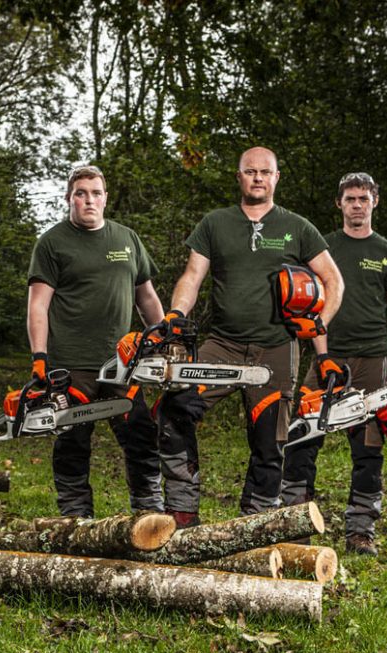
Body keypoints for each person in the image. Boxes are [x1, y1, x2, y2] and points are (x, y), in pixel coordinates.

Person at [157, 147, 344, 528]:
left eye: (265, 172)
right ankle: (182, 510)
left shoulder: (297, 227)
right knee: (173, 410)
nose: (257, 177)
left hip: (275, 348)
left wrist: (318, 323)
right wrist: (175, 314)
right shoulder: (215, 224)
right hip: (221, 345)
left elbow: (334, 281)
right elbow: (192, 277)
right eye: (249, 171)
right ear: (239, 176)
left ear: (276, 178)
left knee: (269, 439)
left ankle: (251, 525)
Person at [280, 172, 387, 556]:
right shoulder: (323, 248)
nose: (357, 204)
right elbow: (312, 308)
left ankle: (360, 529)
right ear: (339, 204)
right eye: (350, 199)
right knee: (303, 434)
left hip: (374, 357)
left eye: (363, 198)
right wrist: (322, 357)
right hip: (330, 352)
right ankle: (295, 521)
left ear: (375, 202)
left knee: (369, 444)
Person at [26, 165, 166, 518]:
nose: (89, 200)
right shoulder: (52, 243)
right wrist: (39, 358)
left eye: (96, 193)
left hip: (122, 363)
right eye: (81, 193)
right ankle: (75, 517)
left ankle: (148, 512)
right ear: (69, 198)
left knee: (140, 433)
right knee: (72, 440)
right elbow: (38, 305)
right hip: (69, 365)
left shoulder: (126, 239)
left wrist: (164, 340)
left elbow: (146, 297)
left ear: (105, 198)